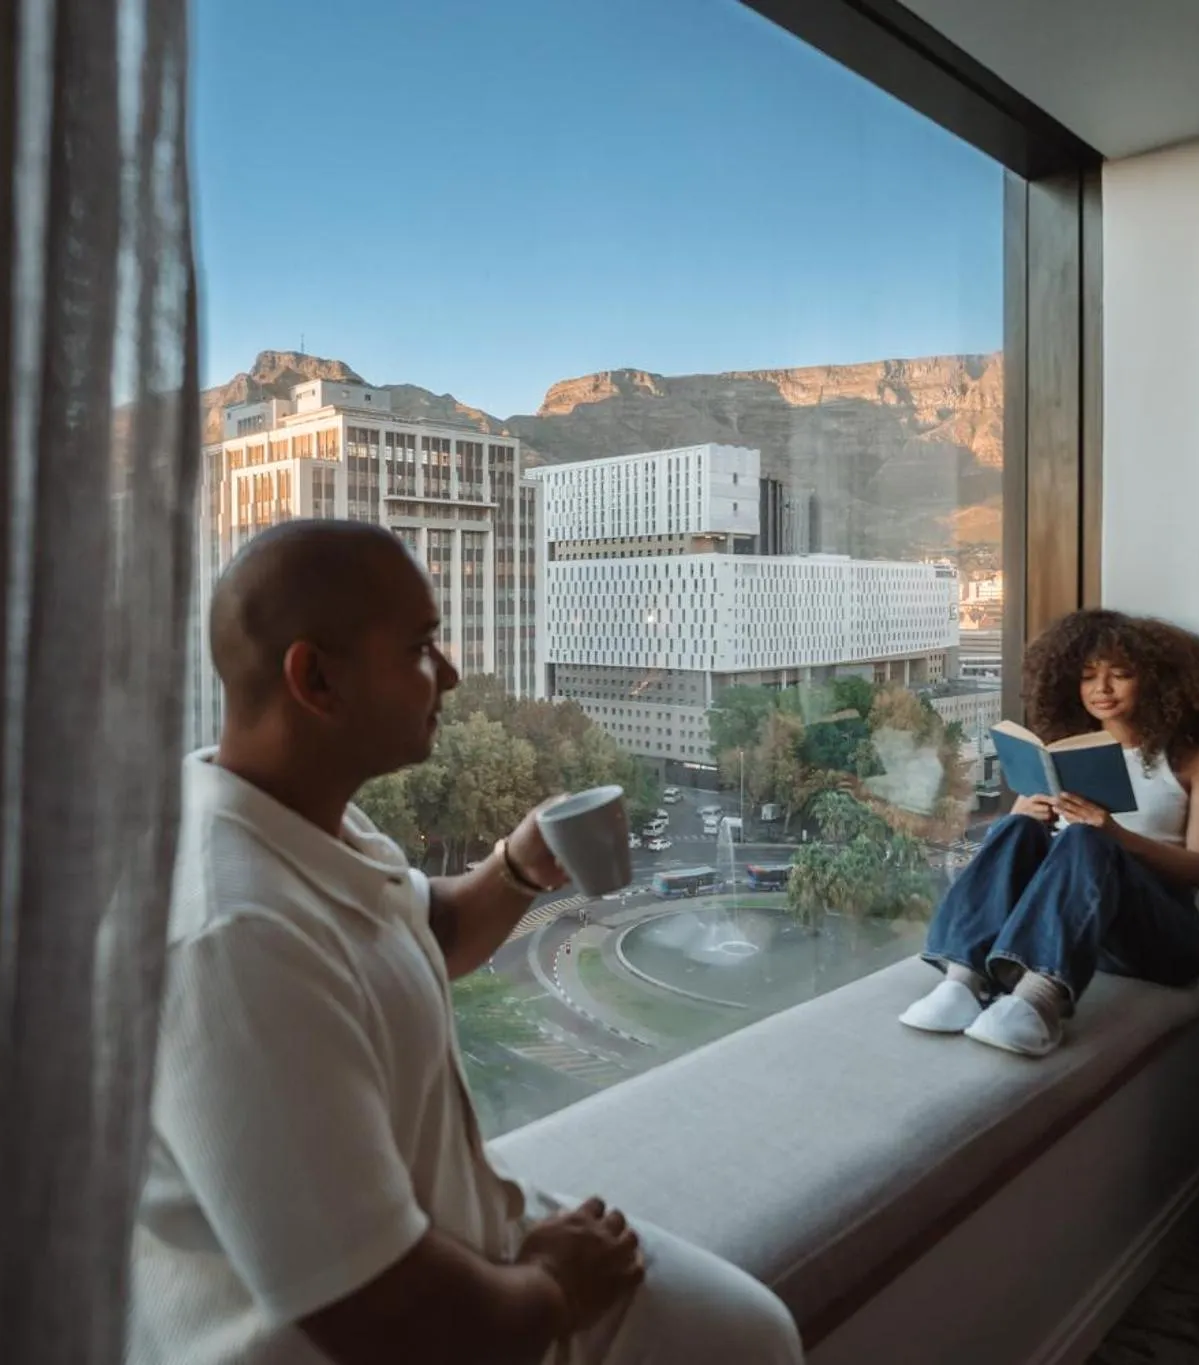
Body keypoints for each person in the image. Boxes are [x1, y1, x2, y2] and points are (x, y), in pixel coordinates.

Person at [130, 520, 802, 1365]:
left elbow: (430, 928)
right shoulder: (235, 939)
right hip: (395, 1334)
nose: (448, 673)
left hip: (469, 1260)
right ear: (316, 678)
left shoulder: (294, 816)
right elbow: (380, 1317)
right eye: (419, 647)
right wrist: (555, 1284)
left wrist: (518, 865)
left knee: (751, 1333)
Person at [899, 610, 1199, 1058]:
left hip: (1163, 937)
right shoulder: (1070, 757)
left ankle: (1038, 1004)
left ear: (1159, 682)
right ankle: (962, 979)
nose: (1102, 689)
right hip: (1080, 930)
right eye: (1087, 677)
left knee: (1086, 838)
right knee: (1017, 826)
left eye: (1121, 675)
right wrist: (1025, 813)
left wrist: (1117, 834)